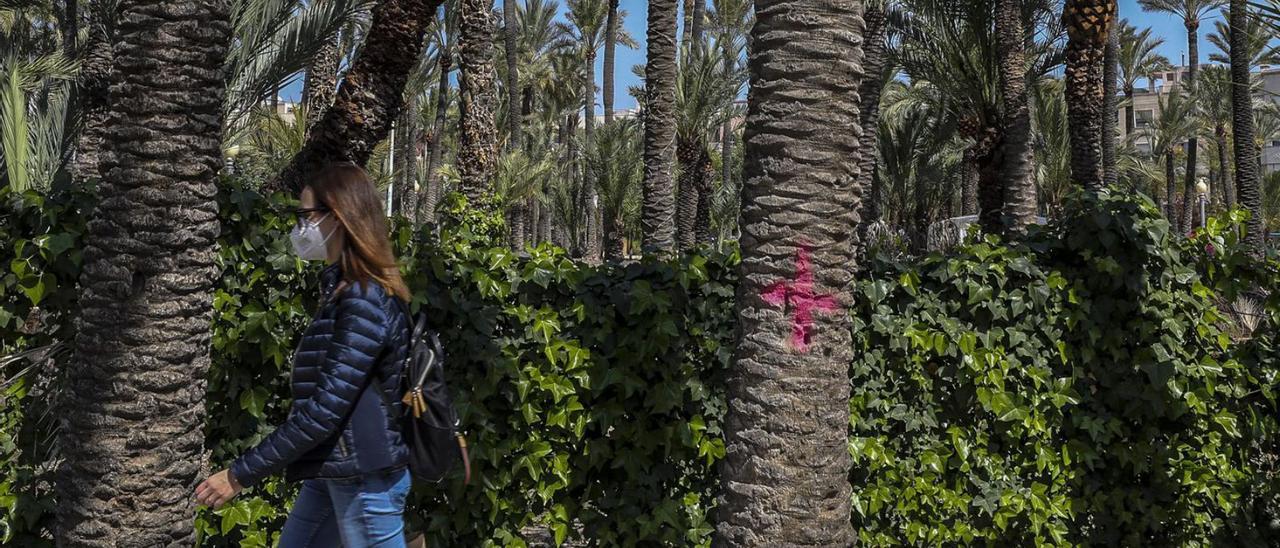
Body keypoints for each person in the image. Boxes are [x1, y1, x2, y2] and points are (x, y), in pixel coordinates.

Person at [195, 163, 413, 547]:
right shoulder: (343, 292)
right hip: (336, 468)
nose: (300, 228)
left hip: (362, 476)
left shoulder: (363, 299)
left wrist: (239, 474)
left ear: (339, 217)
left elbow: (324, 410)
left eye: (306, 216)